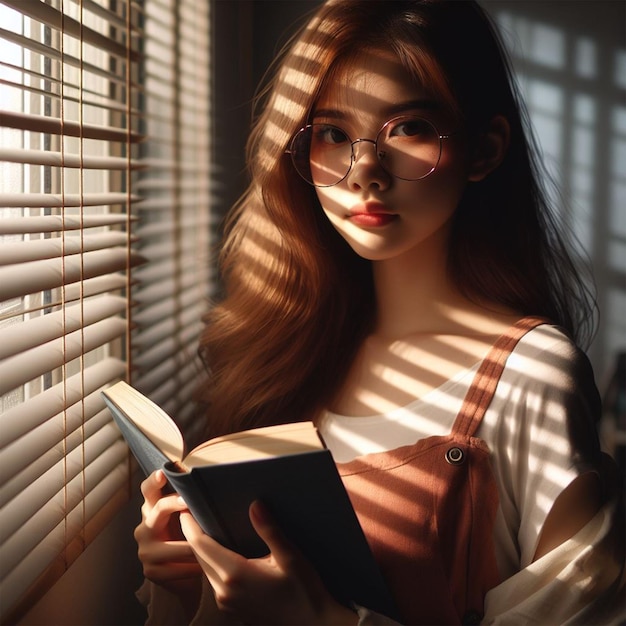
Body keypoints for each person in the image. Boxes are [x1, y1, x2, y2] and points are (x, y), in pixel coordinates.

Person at [134, 1, 625, 624]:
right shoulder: (286, 348)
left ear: (485, 148)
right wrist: (179, 586)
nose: (364, 172)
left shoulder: (533, 376)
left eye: (408, 129)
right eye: (334, 134)